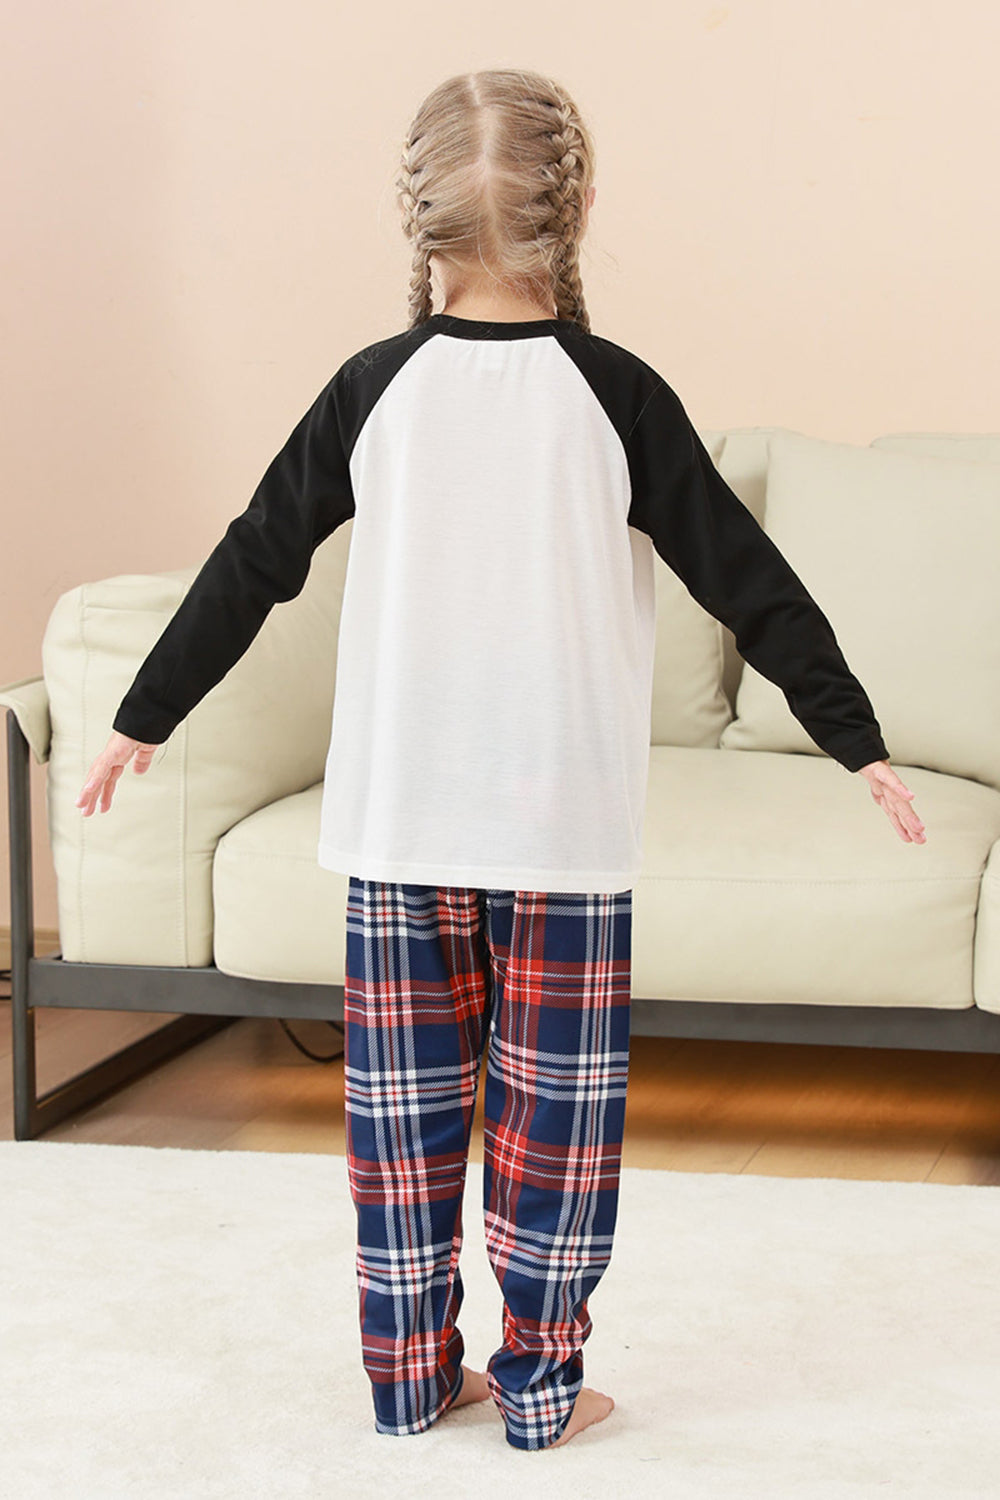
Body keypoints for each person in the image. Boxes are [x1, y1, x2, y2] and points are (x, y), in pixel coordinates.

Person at [75, 67, 926, 1451]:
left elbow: (252, 562)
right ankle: (540, 1391)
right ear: (578, 207)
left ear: (412, 215)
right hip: (561, 840)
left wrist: (141, 714)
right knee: (554, 1137)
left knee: (401, 1133)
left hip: (398, 831)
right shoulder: (616, 392)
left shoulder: (373, 389)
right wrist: (855, 739)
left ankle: (410, 1381)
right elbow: (745, 576)